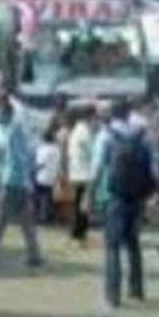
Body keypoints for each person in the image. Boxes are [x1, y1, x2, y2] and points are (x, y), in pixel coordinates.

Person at [88, 100, 154, 311]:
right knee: (133, 244)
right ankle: (136, 290)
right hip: (137, 197)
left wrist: (89, 197)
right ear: (128, 114)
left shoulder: (106, 136)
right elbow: (153, 171)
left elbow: (97, 169)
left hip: (114, 197)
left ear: (112, 115)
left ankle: (112, 295)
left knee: (112, 247)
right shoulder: (143, 136)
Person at [0, 97, 42, 266]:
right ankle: (34, 255)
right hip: (17, 180)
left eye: (1, 111)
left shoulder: (13, 131)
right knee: (25, 220)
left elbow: (17, 157)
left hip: (11, 180)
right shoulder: (2, 127)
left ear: (8, 113)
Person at [68, 106, 96, 247]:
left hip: (76, 172)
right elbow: (89, 151)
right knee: (83, 206)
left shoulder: (75, 130)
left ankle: (77, 234)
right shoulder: (84, 131)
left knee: (79, 204)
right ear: (89, 117)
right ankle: (79, 234)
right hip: (84, 173)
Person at [35, 128, 62, 224]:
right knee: (49, 197)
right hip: (53, 176)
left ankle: (42, 217)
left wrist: (33, 171)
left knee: (41, 197)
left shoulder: (43, 149)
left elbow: (40, 164)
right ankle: (48, 216)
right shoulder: (57, 149)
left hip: (42, 176)